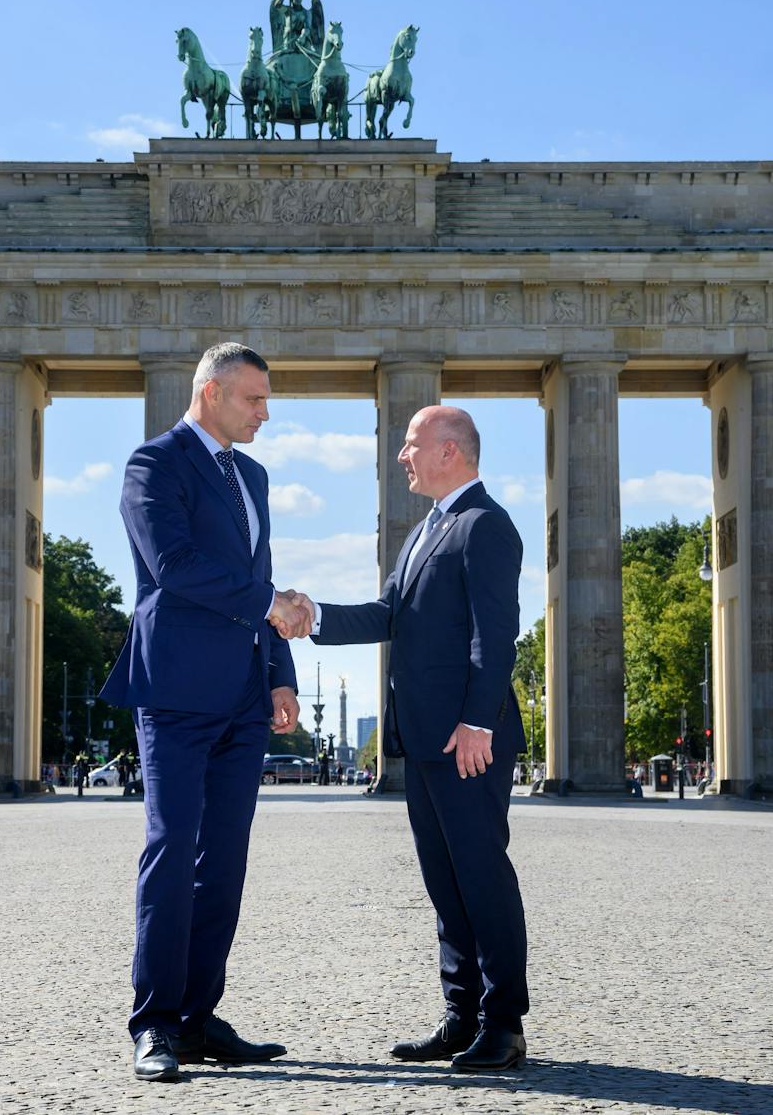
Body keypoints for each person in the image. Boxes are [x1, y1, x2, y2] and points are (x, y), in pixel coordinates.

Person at [291, 405, 529, 1072]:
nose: (402, 456)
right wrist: (313, 618)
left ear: (451, 450)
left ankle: (504, 1023)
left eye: (411, 444)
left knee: (482, 877)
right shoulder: (425, 530)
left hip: (466, 738)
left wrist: (479, 720)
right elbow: (389, 613)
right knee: (445, 882)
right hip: (427, 737)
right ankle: (462, 1018)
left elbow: (495, 635)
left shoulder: (486, 525)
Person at [97, 342, 308, 1083]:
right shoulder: (153, 465)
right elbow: (174, 565)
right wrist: (267, 604)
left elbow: (261, 579)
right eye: (254, 398)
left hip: (246, 694)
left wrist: (280, 674)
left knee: (223, 863)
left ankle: (197, 1016)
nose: (265, 412)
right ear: (211, 391)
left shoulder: (252, 475)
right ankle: (153, 1021)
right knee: (171, 850)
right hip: (178, 689)